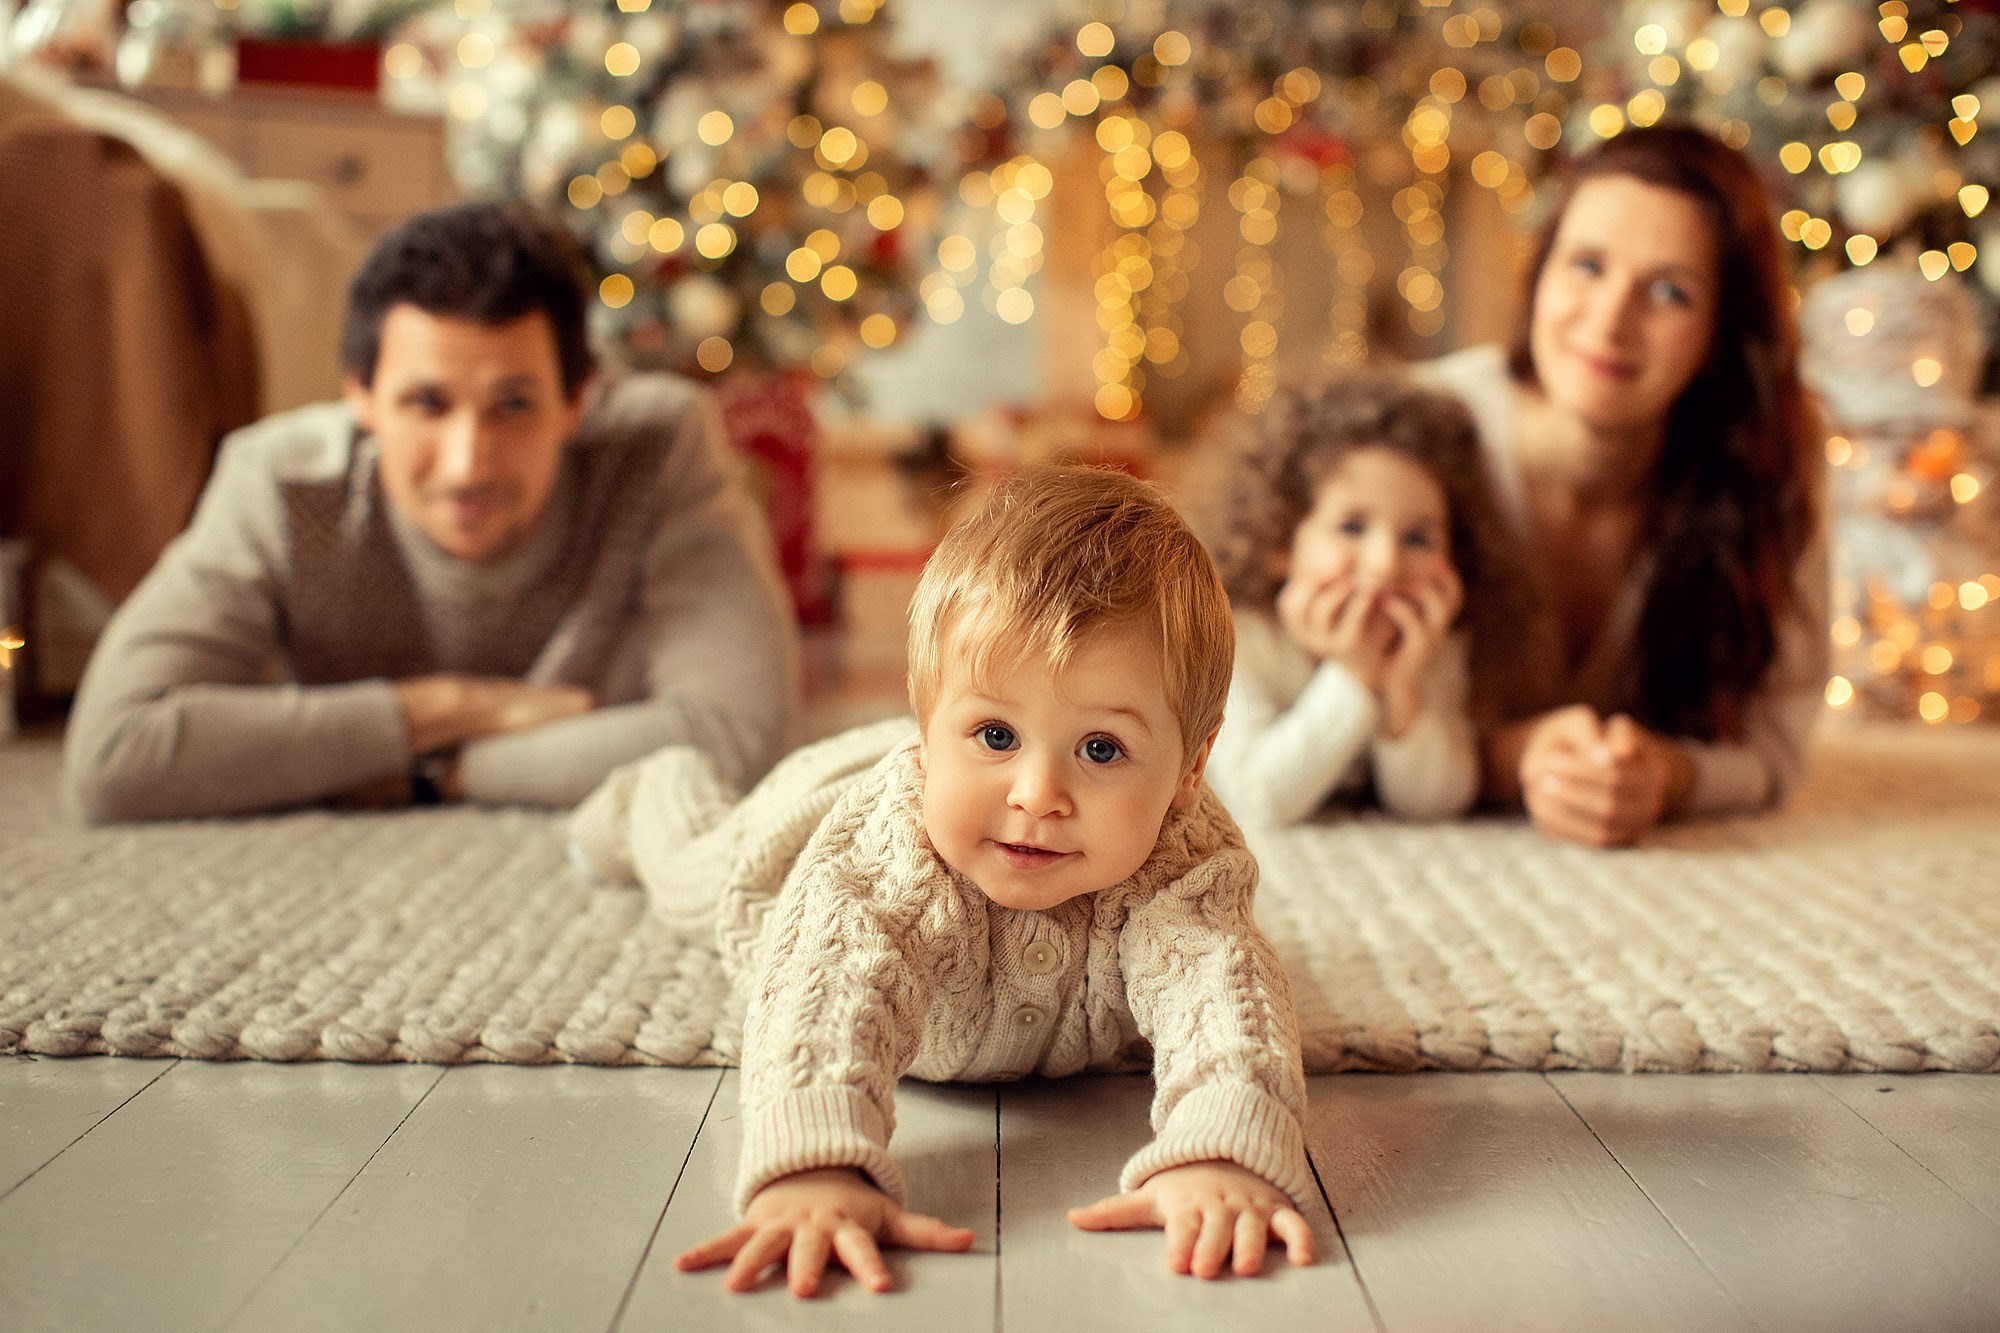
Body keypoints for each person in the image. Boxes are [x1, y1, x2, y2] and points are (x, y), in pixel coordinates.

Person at [577, 467, 1315, 1294]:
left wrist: (1222, 1145)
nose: (1038, 794)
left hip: (956, 781)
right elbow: (825, 993)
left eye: (1100, 749)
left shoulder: (1183, 861)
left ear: (1189, 769)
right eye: (997, 733)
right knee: (685, 861)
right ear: (928, 727)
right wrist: (812, 1169)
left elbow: (1225, 991)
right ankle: (651, 786)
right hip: (799, 828)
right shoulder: (878, 865)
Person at [62, 201, 798, 822]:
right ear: (361, 395)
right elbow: (111, 757)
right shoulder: (281, 482)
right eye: (426, 403)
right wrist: (449, 706)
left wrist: (436, 773)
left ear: (577, 400)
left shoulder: (660, 447)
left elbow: (736, 739)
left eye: (513, 405)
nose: (468, 462)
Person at [1414, 123, 1827, 847]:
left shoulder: (1769, 464)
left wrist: (1670, 775)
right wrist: (1503, 760)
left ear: (1721, 332)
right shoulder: (1415, 434)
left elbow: (1776, 751)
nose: (1610, 320)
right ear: (1538, 274)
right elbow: (1292, 731)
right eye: (1587, 265)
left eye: (1669, 291)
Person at [1199, 371, 1523, 826]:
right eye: (1352, 527)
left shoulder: (1429, 642)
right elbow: (1259, 804)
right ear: (1280, 543)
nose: (1386, 563)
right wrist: (1353, 674)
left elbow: (1437, 804)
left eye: (1418, 537)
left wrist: (1403, 684)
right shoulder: (1241, 639)